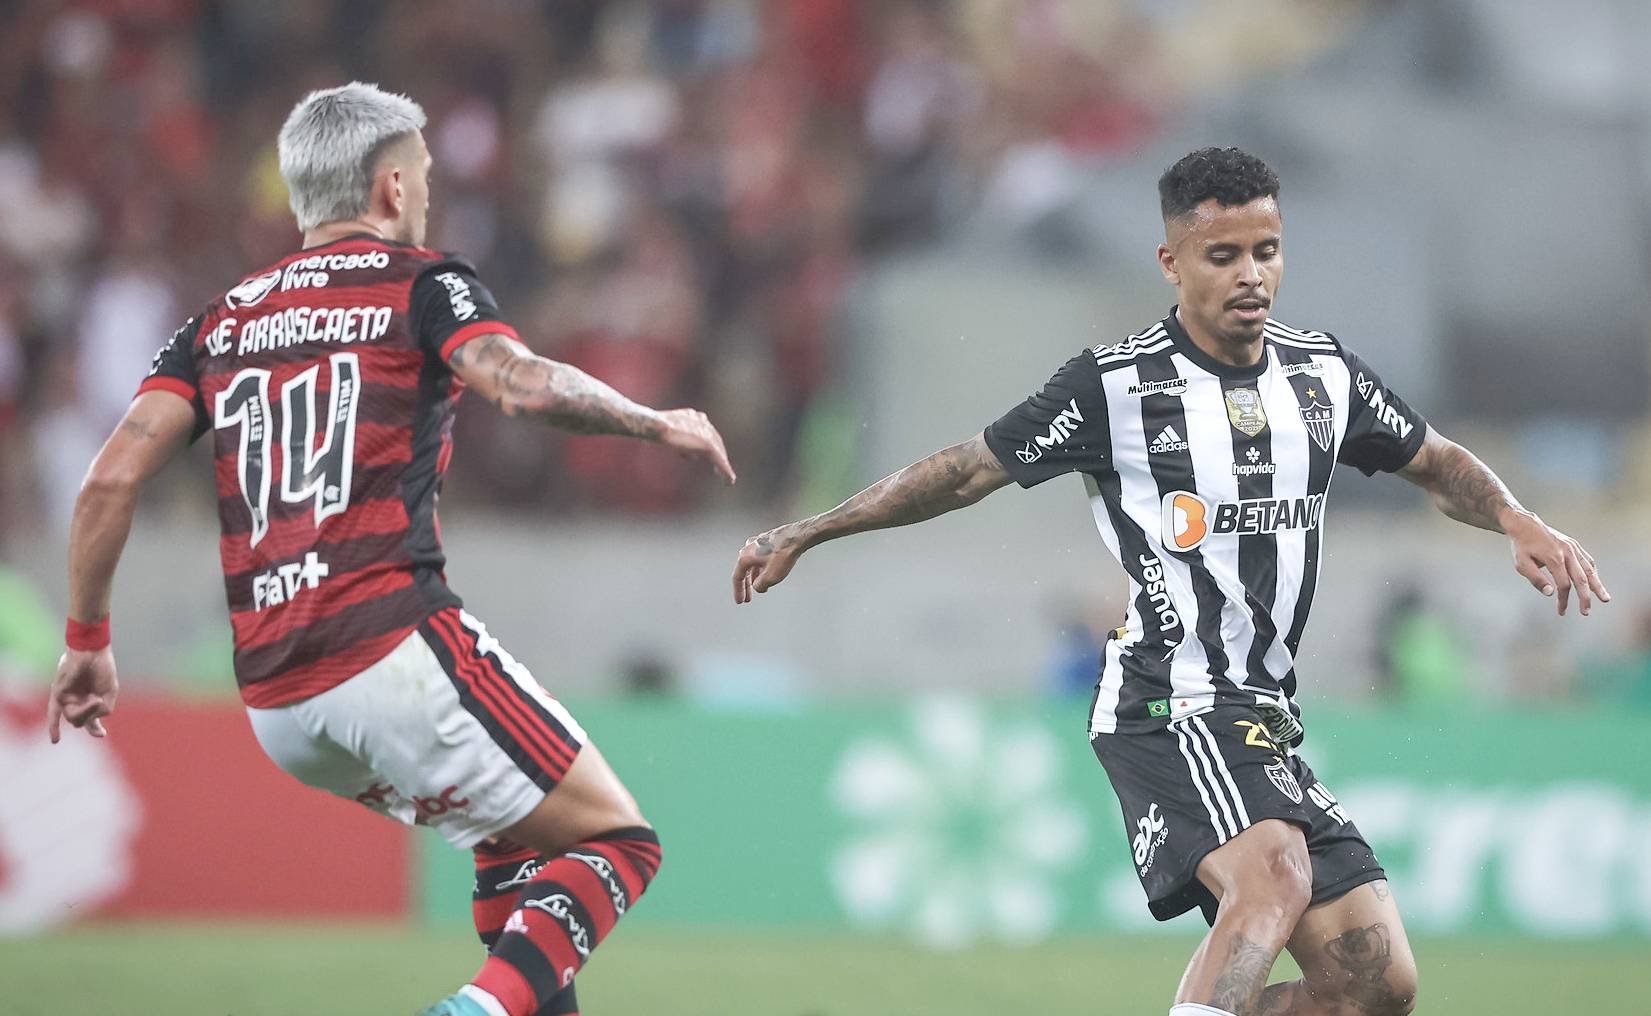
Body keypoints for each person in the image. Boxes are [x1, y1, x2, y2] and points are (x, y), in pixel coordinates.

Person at [732, 147, 1609, 1016]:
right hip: (1168, 697)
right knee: (1271, 879)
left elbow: (1433, 459)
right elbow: (967, 470)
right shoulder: (1112, 387)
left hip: (1265, 715)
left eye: (1264, 250)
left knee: (1375, 985)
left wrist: (1515, 518)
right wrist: (814, 528)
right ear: (1171, 262)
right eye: (1221, 255)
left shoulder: (1321, 375)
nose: (1249, 275)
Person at [46, 82, 735, 1016]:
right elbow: (522, 387)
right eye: (421, 179)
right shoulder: (421, 283)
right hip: (387, 646)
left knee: (514, 842)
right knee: (617, 842)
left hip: (278, 701)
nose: (426, 197)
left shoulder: (218, 322)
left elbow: (109, 479)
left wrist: (87, 638)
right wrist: (652, 420)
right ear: (388, 187)